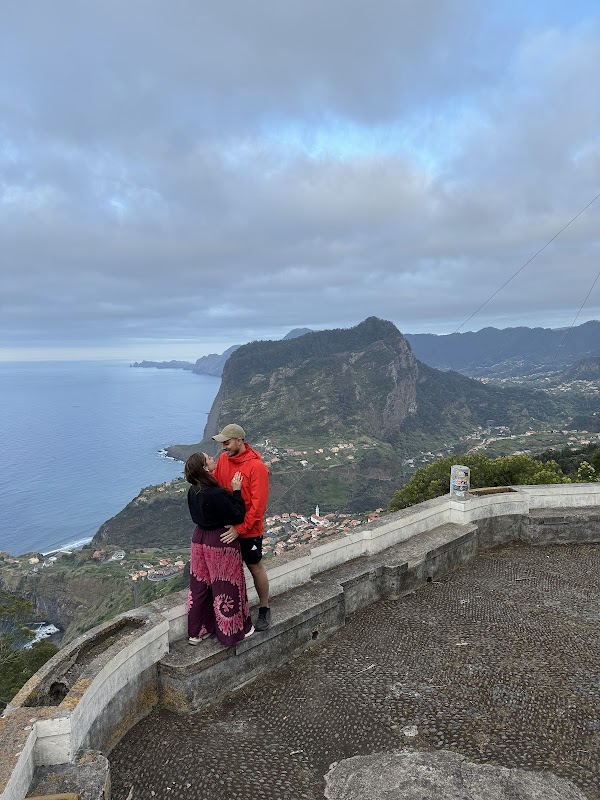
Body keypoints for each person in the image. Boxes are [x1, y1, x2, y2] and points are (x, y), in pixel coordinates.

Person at [184, 452, 254, 647]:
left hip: (199, 539)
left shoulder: (193, 490)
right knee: (226, 584)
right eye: (209, 458)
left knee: (200, 585)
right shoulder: (215, 493)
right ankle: (231, 632)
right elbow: (239, 514)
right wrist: (237, 490)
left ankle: (197, 631)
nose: (214, 458)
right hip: (219, 540)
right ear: (206, 468)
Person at [212, 423, 271, 631]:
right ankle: (236, 612)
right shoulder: (222, 461)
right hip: (228, 529)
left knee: (255, 567)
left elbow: (258, 507)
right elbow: (217, 488)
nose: (223, 448)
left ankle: (264, 608)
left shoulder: (257, 468)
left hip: (249, 530)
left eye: (226, 443)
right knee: (230, 572)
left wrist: (240, 529)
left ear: (239, 440)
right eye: (222, 443)